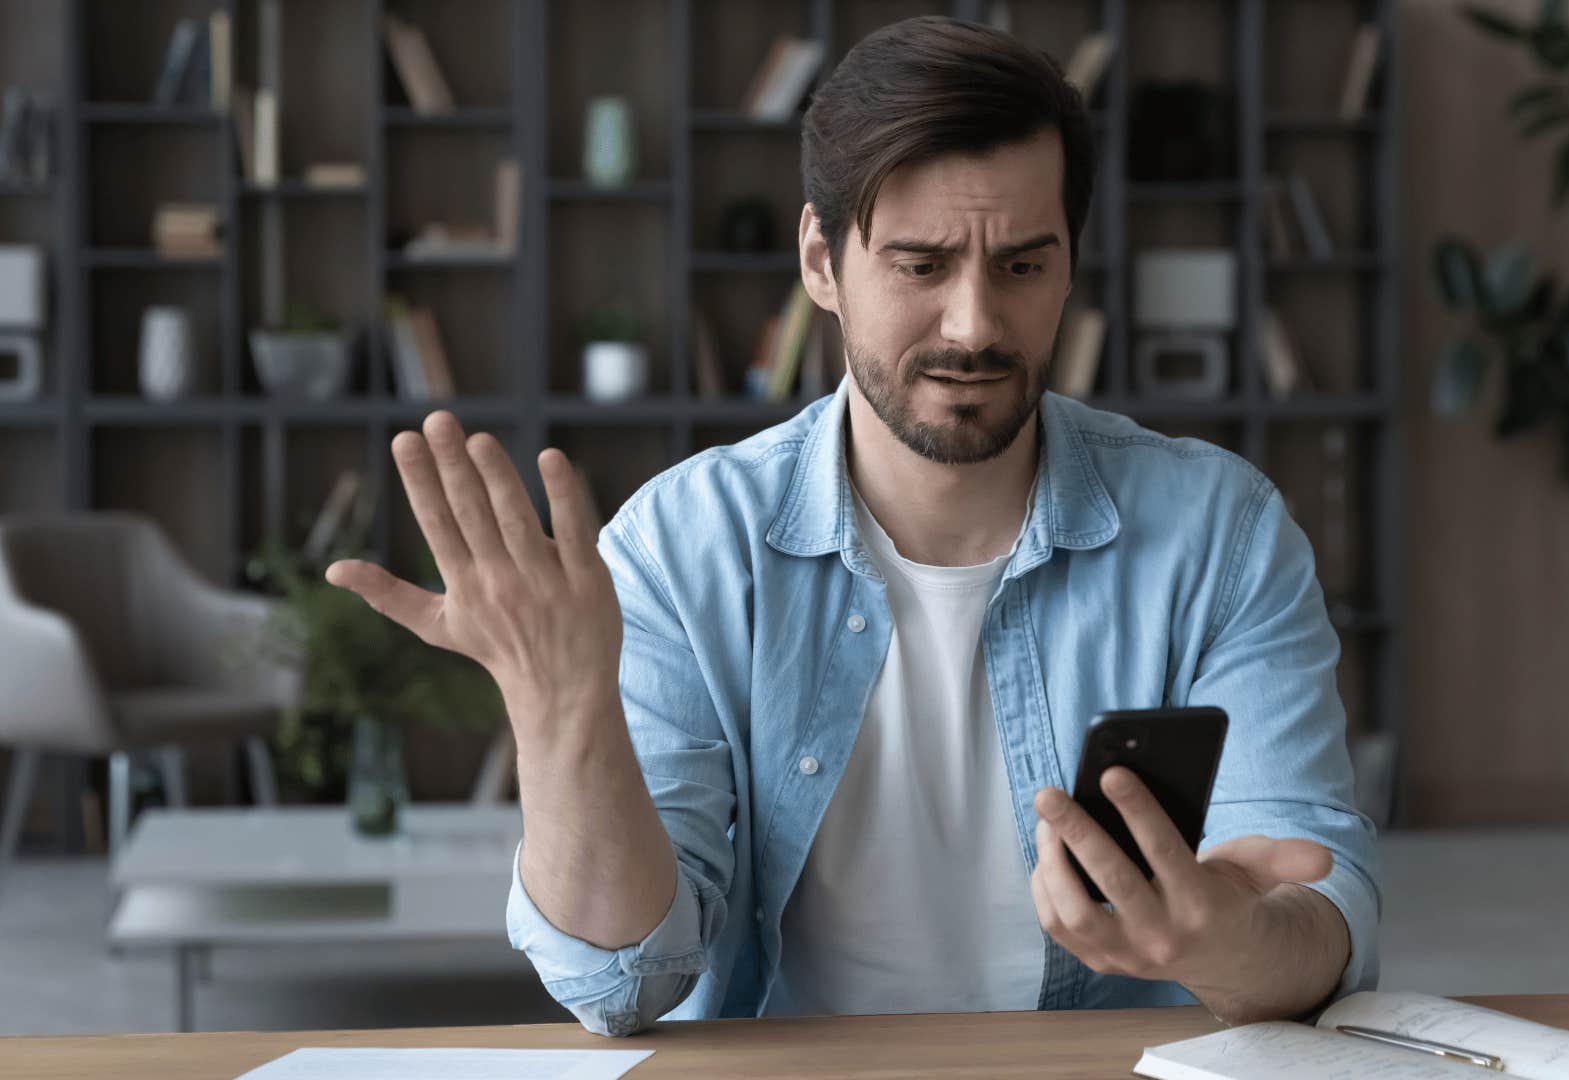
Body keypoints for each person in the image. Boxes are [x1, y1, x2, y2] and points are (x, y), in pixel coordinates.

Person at [326, 14, 1379, 1038]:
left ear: (1070, 263)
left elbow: (1324, 933)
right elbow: (621, 989)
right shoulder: (680, 550)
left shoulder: (1221, 535)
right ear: (822, 263)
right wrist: (561, 716)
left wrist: (1217, 938)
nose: (973, 324)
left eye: (1021, 265)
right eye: (920, 265)